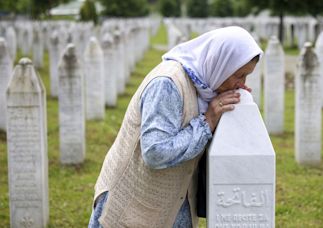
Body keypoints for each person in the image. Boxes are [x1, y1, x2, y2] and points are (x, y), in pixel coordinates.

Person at [88, 26, 263, 228]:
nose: (242, 84)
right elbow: (155, 152)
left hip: (173, 206)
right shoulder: (167, 84)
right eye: (239, 75)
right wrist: (207, 121)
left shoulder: (205, 87)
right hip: (133, 206)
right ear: (221, 63)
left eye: (246, 77)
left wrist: (233, 113)